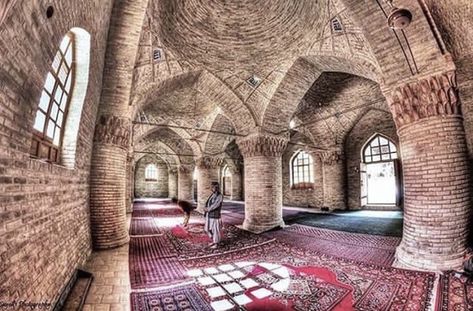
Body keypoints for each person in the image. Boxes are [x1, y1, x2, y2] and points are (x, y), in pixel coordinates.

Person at [203, 182, 223, 249]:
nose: (211, 188)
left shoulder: (219, 196)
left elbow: (215, 205)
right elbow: (209, 203)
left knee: (215, 229)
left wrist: (207, 209)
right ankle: (214, 240)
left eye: (213, 187)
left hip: (215, 215)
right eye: (211, 187)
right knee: (208, 229)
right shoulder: (212, 195)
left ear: (216, 187)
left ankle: (216, 243)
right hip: (209, 215)